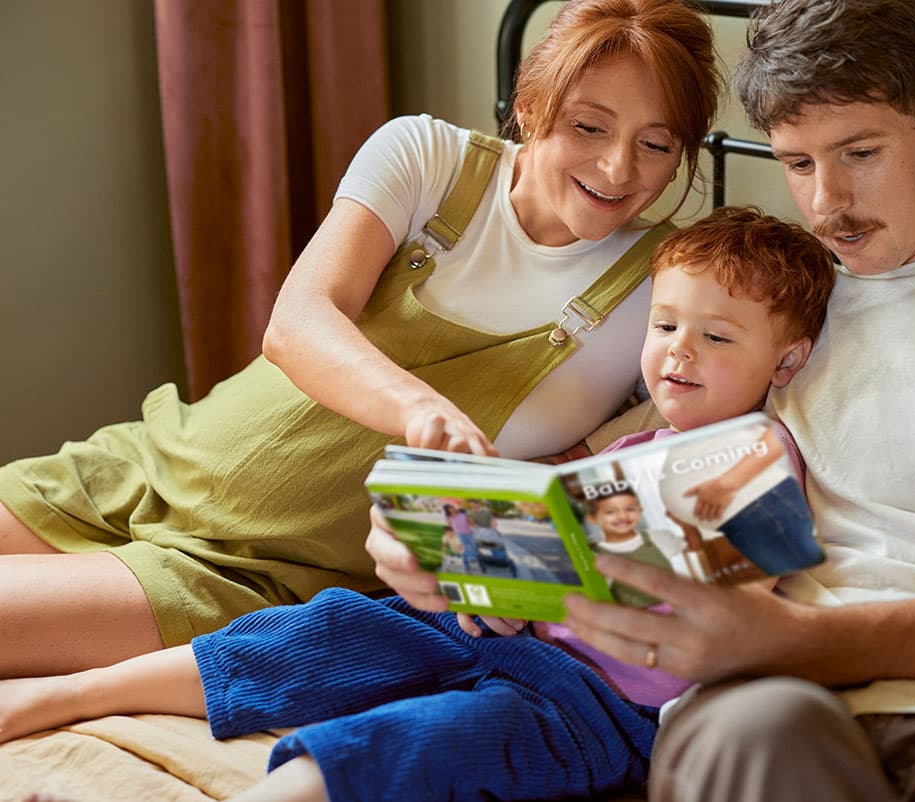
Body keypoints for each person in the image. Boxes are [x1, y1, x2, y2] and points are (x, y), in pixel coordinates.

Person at [0, 205, 837, 802]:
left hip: (595, 701)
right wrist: (469, 555)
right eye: (662, 327)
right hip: (498, 629)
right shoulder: (625, 448)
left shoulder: (760, 458)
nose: (677, 354)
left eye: (717, 338)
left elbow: (746, 609)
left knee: (424, 745)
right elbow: (541, 528)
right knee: (322, 629)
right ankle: (66, 695)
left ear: (788, 362)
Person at [0, 0, 723, 679]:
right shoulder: (428, 157)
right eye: (589, 128)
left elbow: (637, 467)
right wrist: (420, 412)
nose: (619, 169)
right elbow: (298, 321)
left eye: (656, 144)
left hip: (244, 576)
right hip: (148, 466)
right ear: (529, 111)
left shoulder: (666, 289)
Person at [557, 1, 915, 799]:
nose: (826, 202)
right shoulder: (770, 305)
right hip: (764, 707)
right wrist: (450, 548)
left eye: (859, 151)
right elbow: (604, 471)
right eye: (797, 164)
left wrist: (797, 638)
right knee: (764, 736)